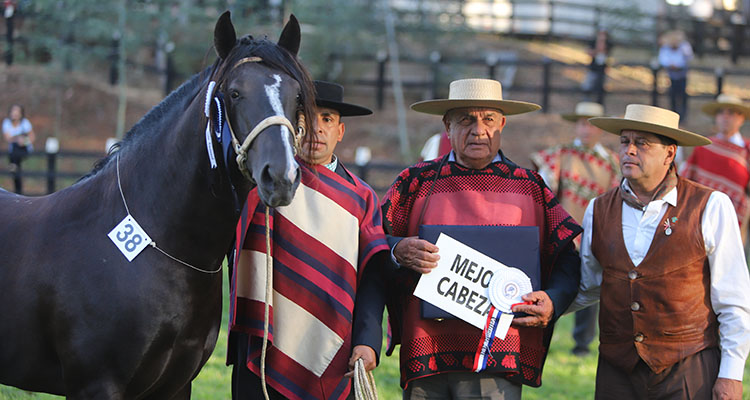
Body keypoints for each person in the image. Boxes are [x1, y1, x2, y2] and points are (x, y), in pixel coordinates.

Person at [381, 78, 582, 399]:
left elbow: (566, 257)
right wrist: (396, 249)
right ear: (447, 126)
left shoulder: (530, 187)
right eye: (465, 120)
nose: (478, 130)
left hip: (500, 354)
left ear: (502, 124)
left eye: (488, 119)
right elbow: (372, 239)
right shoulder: (414, 182)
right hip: (427, 351)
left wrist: (554, 300)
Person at [569, 104, 750, 399]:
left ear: (670, 153)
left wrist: (730, 374)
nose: (629, 150)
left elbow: (733, 300)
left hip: (688, 368)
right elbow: (588, 285)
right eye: (625, 142)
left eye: (642, 143)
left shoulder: (711, 206)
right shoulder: (597, 209)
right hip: (616, 371)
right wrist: (548, 303)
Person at [227, 81, 390, 400]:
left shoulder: (362, 199)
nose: (316, 128)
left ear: (340, 131)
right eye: (305, 117)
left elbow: (373, 277)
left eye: (327, 119)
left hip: (336, 354)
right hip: (263, 351)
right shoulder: (260, 187)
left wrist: (368, 340)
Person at [530, 101, 619, 358]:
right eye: (581, 123)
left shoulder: (611, 162)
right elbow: (544, 187)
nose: (586, 129)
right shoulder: (560, 154)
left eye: (591, 124)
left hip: (595, 233)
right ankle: (540, 335)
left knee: (591, 287)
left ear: (600, 129)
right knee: (553, 284)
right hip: (562, 233)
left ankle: (582, 344)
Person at [680, 93, 750, 246]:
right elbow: (687, 180)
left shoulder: (747, 149)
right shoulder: (704, 146)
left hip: (736, 217)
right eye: (720, 112)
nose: (725, 117)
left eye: (731, 113)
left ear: (741, 118)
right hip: (701, 215)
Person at [658, 30, 693, 120]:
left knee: (682, 94)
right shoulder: (666, 48)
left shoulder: (684, 47)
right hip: (672, 75)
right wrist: (671, 65)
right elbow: (663, 59)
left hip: (682, 74)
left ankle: (683, 115)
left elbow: (688, 57)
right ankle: (673, 113)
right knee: (672, 94)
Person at [2, 104, 34, 194]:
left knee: (16, 167)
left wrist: (24, 141)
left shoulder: (25, 123)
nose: (14, 114)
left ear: (21, 113)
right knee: (15, 146)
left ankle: (13, 165)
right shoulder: (6, 123)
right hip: (14, 150)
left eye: (17, 112)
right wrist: (17, 139)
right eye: (13, 111)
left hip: (24, 149)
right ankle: (18, 190)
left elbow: (32, 137)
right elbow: (8, 138)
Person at [582, 29, 611, 104]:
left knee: (600, 88)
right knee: (588, 86)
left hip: (602, 69)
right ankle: (586, 101)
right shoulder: (593, 42)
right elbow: (589, 52)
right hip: (593, 68)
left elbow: (606, 53)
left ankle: (599, 104)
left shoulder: (608, 44)